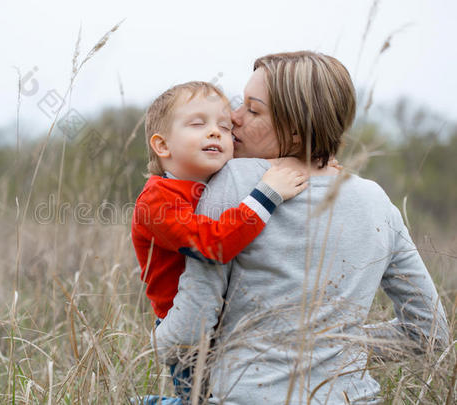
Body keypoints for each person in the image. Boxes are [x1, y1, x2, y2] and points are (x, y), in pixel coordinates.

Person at [153, 51, 449, 404]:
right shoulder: (376, 200)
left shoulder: (233, 180)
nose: (233, 118)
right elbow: (429, 335)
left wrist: (155, 344)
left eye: (253, 109)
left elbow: (189, 333)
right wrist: (335, 344)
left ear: (295, 129)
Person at [131, 81, 309, 402]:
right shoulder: (156, 202)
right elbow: (214, 246)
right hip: (188, 328)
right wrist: (269, 192)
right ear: (162, 145)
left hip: (229, 320)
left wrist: (311, 165)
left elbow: (262, 162)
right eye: (198, 124)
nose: (215, 132)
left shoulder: (219, 182)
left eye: (225, 127)